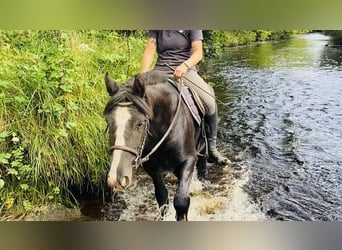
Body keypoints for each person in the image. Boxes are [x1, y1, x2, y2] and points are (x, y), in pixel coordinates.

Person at [140, 30, 228, 165]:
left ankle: (211, 149)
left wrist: (185, 65)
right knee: (136, 98)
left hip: (185, 70)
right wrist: (144, 71)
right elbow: (151, 46)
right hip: (160, 70)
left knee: (209, 102)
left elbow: (198, 52)